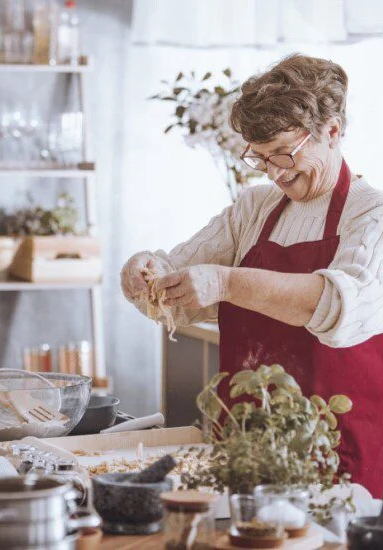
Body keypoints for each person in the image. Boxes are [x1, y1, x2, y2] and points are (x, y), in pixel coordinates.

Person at [121, 54, 383, 496]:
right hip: (245, 448)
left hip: (338, 456)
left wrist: (226, 282)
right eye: (260, 158)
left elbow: (341, 307)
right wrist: (146, 272)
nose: (276, 173)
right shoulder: (254, 209)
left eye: (284, 154)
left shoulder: (370, 215)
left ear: (333, 131)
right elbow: (179, 273)